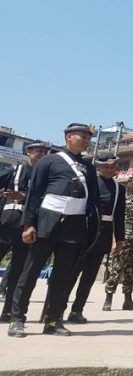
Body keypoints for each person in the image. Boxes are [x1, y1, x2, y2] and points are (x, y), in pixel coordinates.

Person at [9, 123, 100, 338]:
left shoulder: (89, 167)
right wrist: (29, 224)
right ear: (69, 137)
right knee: (30, 272)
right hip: (47, 223)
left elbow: (93, 201)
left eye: (89, 137)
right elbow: (34, 194)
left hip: (74, 227)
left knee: (62, 277)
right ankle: (17, 318)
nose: (87, 140)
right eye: (83, 136)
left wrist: (90, 231)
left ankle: (53, 320)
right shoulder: (49, 161)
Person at [64, 153, 126, 324]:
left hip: (104, 233)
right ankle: (57, 308)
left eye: (113, 167)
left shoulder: (120, 188)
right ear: (98, 167)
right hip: (85, 231)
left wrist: (119, 239)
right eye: (106, 166)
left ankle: (77, 310)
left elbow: (119, 216)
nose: (109, 170)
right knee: (73, 273)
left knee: (89, 276)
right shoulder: (89, 181)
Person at [0, 142, 49, 322]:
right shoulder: (14, 171)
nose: (43, 154)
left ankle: (7, 312)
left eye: (46, 152)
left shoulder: (47, 177)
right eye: (39, 151)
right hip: (5, 226)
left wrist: (24, 196)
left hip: (27, 231)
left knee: (17, 273)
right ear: (29, 152)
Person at [103, 173, 133, 311]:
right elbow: (116, 221)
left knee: (130, 270)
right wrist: (114, 240)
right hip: (124, 238)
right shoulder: (125, 201)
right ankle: (108, 299)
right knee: (116, 269)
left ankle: (128, 300)